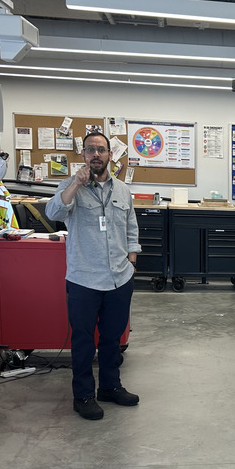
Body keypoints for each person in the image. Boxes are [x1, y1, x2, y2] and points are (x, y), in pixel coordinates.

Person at [45, 132, 140, 421]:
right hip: (84, 279)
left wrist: (132, 261)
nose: (96, 154)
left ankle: (110, 386)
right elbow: (53, 211)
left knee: (112, 338)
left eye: (101, 150)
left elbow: (131, 227)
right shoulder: (72, 186)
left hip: (119, 279)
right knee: (84, 341)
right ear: (83, 155)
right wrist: (76, 183)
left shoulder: (123, 190)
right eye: (90, 150)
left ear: (110, 155)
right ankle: (83, 395)